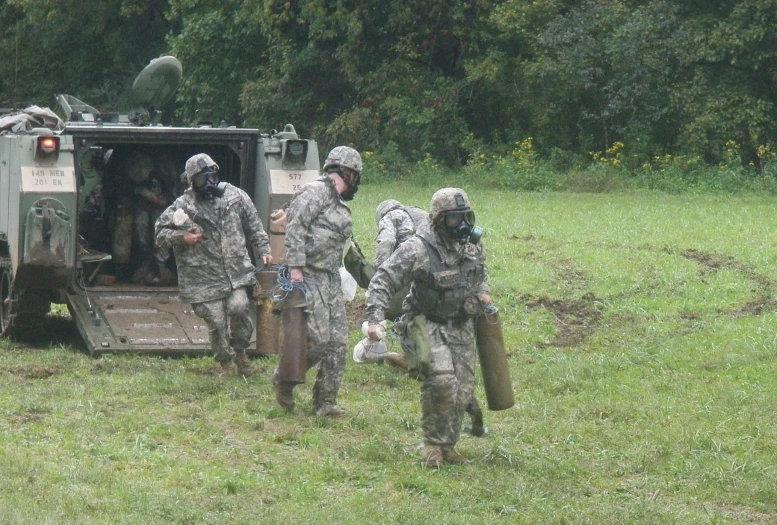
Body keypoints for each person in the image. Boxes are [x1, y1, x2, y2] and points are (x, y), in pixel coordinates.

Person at [366, 188, 491, 468]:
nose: (462, 225)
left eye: (466, 217)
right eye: (453, 219)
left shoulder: (472, 244)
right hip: (427, 324)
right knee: (442, 382)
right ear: (438, 219)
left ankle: (449, 446)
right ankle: (432, 447)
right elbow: (381, 280)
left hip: (461, 325)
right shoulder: (418, 248)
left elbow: (481, 273)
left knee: (464, 389)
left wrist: (483, 292)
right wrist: (375, 319)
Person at [155, 153, 272, 377]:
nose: (208, 184)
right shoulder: (183, 205)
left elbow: (254, 226)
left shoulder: (235, 197)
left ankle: (240, 353)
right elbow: (159, 234)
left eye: (212, 177)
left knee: (239, 308)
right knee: (217, 322)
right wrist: (182, 238)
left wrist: (264, 251)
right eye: (201, 180)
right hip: (202, 279)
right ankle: (225, 363)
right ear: (191, 182)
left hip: (236, 273)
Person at [273, 146, 363, 416]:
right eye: (355, 175)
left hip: (330, 277)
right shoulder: (315, 191)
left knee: (337, 344)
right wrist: (296, 267)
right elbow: (296, 226)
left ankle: (325, 402)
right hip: (309, 275)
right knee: (317, 340)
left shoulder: (336, 200)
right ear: (347, 172)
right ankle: (284, 378)